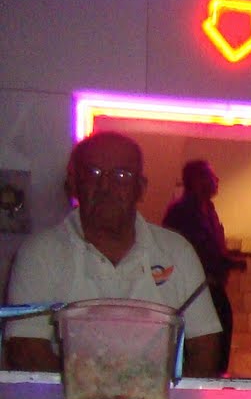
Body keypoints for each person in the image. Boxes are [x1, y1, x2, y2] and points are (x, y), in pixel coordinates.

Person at [3, 132, 223, 375]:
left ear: (141, 188)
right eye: (93, 173)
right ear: (73, 184)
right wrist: (93, 391)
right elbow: (25, 349)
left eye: (121, 175)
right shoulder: (38, 255)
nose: (105, 187)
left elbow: (205, 345)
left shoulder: (177, 252)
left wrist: (168, 396)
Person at [162, 159, 245, 373]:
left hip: (213, 287)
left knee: (220, 342)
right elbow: (191, 250)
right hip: (193, 291)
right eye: (210, 176)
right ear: (198, 180)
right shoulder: (182, 212)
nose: (216, 180)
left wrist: (226, 260)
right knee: (202, 346)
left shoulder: (208, 210)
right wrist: (224, 262)